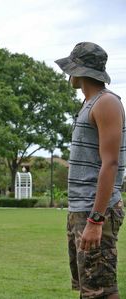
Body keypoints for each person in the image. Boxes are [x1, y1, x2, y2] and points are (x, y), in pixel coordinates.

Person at [55, 42, 126, 299]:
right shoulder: (89, 103)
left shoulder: (106, 103)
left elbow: (111, 163)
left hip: (96, 210)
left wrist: (96, 219)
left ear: (80, 70)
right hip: (81, 208)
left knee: (101, 292)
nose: (68, 74)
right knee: (89, 288)